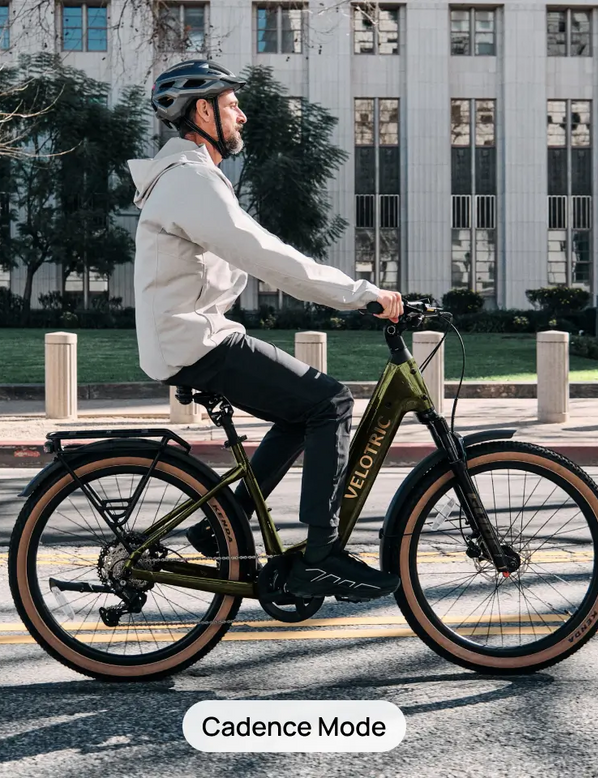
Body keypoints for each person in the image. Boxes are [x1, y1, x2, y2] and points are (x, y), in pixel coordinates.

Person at [128, 60, 404, 600]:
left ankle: (221, 524)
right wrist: (360, 294)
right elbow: (267, 257)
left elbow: (254, 253)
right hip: (195, 340)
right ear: (202, 111)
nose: (243, 116)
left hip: (198, 335)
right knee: (330, 403)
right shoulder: (188, 181)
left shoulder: (195, 178)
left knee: (304, 411)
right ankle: (320, 556)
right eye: (232, 106)